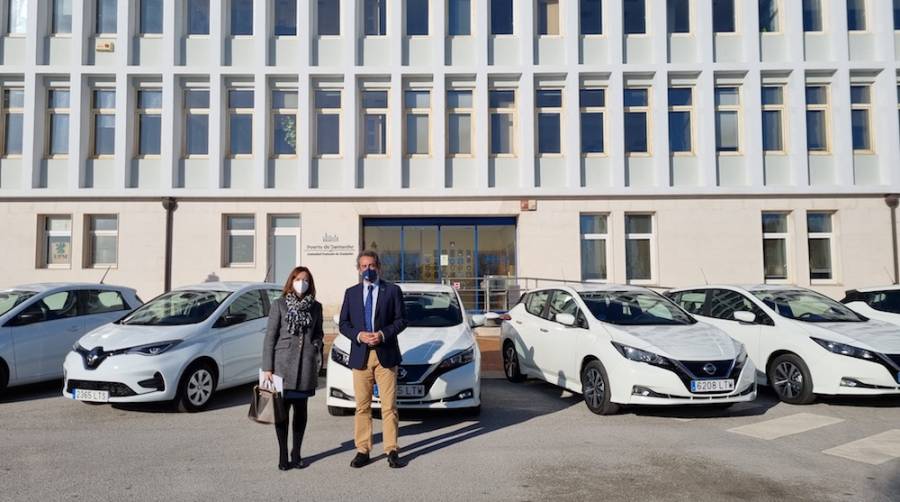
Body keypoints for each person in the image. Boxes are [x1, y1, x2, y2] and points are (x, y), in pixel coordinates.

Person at [338, 250, 408, 469]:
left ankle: (391, 450)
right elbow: (344, 323)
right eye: (363, 266)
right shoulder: (351, 293)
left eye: (371, 265)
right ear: (359, 269)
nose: (368, 269)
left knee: (389, 407)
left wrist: (383, 334)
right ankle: (363, 449)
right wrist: (359, 335)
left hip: (385, 354)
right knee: (362, 407)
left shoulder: (392, 291)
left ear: (379, 267)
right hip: (361, 356)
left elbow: (401, 320)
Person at [262, 266, 324, 471]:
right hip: (281, 365)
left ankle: (296, 453)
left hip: (305, 365)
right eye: (298, 279)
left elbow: (318, 333)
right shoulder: (279, 305)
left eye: (305, 279)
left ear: (310, 283)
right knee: (281, 413)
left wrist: (315, 346)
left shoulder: (316, 307)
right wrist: (267, 367)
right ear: (291, 281)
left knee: (301, 411)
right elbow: (270, 338)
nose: (301, 283)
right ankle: (282, 454)